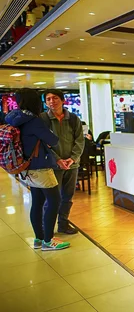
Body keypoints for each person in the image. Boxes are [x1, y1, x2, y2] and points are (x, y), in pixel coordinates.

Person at [6, 89, 70, 250]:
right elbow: (53, 140)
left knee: (37, 202)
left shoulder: (16, 118)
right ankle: (48, 241)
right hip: (40, 166)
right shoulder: (34, 120)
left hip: (26, 167)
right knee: (54, 201)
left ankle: (39, 239)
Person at [42, 89, 84, 235]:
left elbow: (80, 140)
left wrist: (72, 158)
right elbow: (42, 144)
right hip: (52, 166)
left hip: (72, 165)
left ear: (63, 100)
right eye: (48, 99)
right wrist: (58, 160)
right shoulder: (43, 119)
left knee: (68, 197)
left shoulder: (73, 118)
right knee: (52, 198)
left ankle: (63, 225)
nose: (52, 101)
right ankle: (47, 228)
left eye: (55, 98)